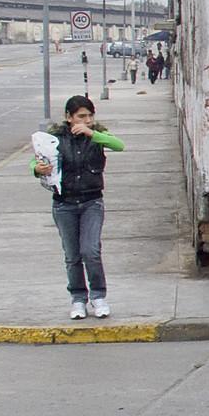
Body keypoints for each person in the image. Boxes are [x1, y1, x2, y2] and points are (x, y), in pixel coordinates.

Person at [31, 95, 126, 319]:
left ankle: (99, 296)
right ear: (69, 117)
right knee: (72, 255)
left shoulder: (97, 135)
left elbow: (119, 145)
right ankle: (78, 298)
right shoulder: (55, 138)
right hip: (64, 203)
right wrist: (38, 168)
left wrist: (92, 133)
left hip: (91, 201)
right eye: (81, 116)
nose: (87, 120)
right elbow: (36, 161)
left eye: (90, 116)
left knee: (90, 251)